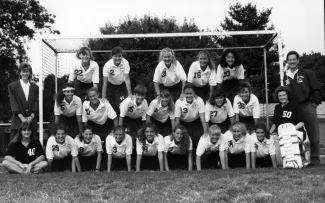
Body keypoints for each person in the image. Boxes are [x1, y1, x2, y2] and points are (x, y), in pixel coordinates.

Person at [282, 50, 322, 166]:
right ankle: (298, 158)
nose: (292, 61)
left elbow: (316, 88)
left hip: (308, 105)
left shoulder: (307, 73)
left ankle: (315, 160)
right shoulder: (286, 76)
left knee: (313, 134)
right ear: (287, 62)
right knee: (295, 134)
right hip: (294, 108)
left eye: (294, 59)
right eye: (290, 60)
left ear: (298, 60)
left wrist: (314, 103)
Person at [8, 62, 39, 141]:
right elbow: (13, 102)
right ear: (20, 73)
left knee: (32, 148)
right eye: (23, 71)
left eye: (27, 71)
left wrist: (31, 116)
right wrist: (22, 118)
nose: (25, 73)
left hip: (32, 123)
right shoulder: (12, 86)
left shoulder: (35, 87)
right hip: (18, 122)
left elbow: (37, 102)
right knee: (14, 148)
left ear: (30, 73)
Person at [175, 84, 207, 151]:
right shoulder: (179, 102)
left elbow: (203, 119)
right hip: (184, 123)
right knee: (185, 141)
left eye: (191, 93)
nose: (189, 95)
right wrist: (177, 132)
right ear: (183, 94)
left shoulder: (199, 100)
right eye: (187, 93)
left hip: (196, 122)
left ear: (194, 93)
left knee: (197, 140)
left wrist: (205, 133)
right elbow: (177, 120)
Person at [102, 47, 132, 113]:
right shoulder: (107, 65)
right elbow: (105, 83)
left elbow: (127, 80)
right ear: (112, 56)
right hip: (111, 86)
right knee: (111, 106)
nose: (118, 58)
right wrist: (103, 97)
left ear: (122, 56)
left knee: (122, 104)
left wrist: (130, 94)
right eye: (115, 56)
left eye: (119, 56)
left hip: (122, 86)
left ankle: (121, 122)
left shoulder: (125, 63)